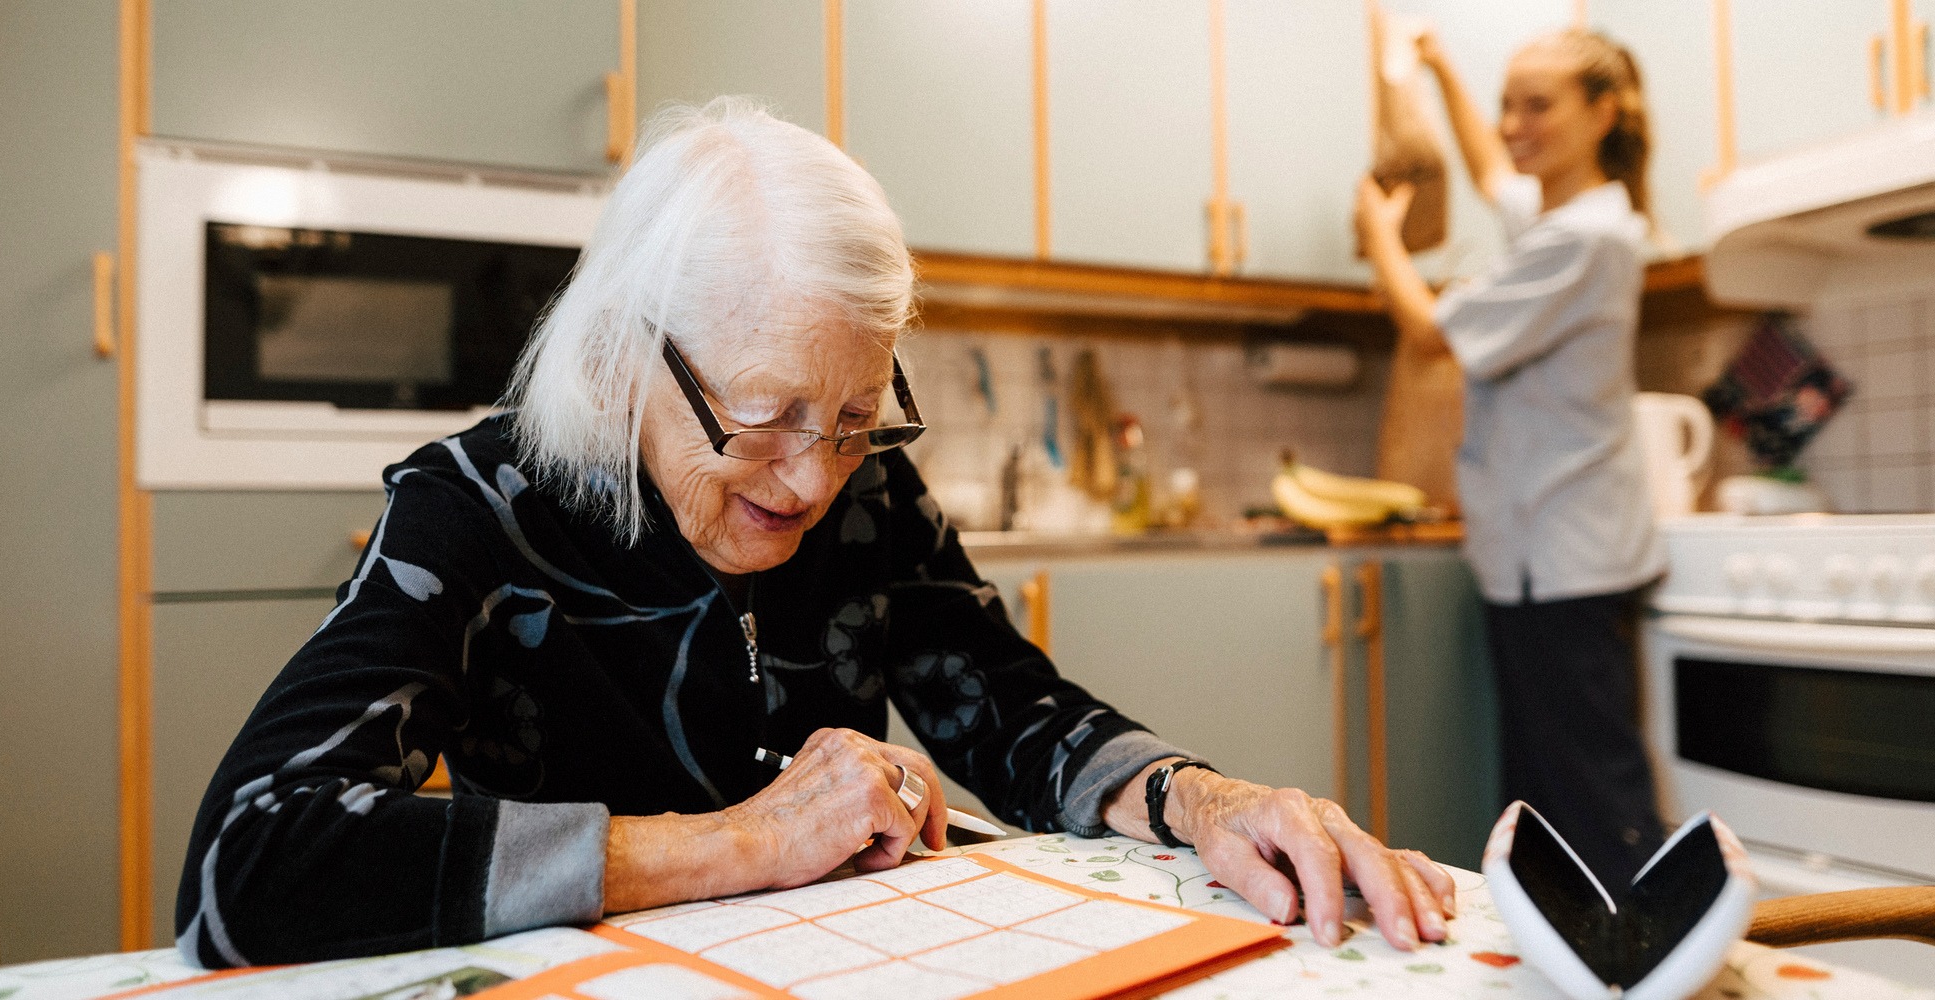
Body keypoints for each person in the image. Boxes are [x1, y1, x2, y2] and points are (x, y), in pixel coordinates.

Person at [178, 98, 1453, 969]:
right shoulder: (475, 504)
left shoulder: (864, 491)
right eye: (766, 417)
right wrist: (748, 842)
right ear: (627, 362)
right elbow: (250, 860)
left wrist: (1202, 799)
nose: (806, 480)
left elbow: (1005, 709)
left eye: (852, 417)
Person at [1354, 29, 1668, 890]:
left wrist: (1378, 230)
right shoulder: (1568, 219)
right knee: (1547, 802)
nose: (1515, 123)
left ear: (1603, 112)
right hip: (1544, 558)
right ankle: (1572, 962)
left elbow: (1427, 336)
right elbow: (1494, 171)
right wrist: (1441, 67)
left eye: (1540, 104)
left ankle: (1644, 959)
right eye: (1508, 102)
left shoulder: (1586, 239)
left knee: (1596, 805)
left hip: (1564, 559)